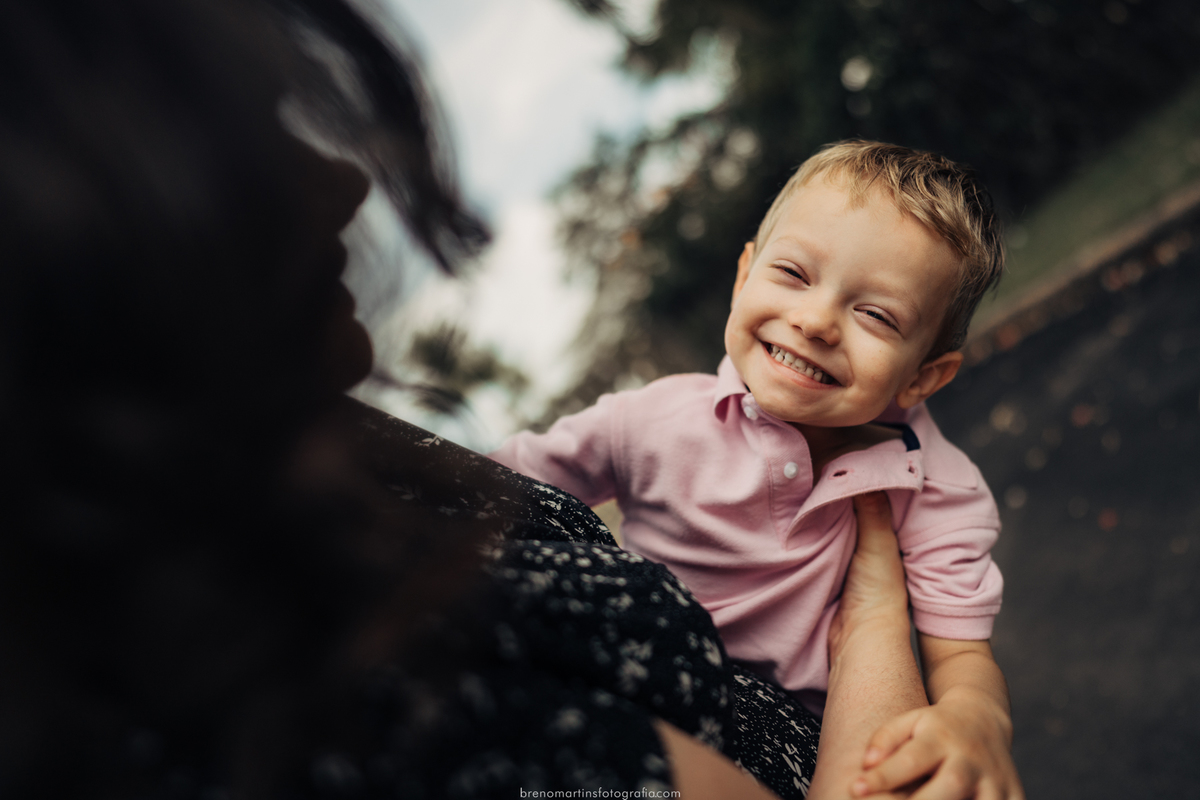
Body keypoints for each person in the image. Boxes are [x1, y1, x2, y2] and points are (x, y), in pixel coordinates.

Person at [1, 1, 941, 798]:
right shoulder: (373, 727)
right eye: (255, 148)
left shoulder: (322, 470)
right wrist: (871, 591)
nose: (342, 181)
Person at [491, 141, 1025, 798]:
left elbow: (963, 656)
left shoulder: (938, 486)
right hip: (647, 723)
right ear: (744, 277)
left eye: (877, 315)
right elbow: (496, 487)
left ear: (924, 376)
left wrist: (977, 719)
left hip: (822, 748)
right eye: (794, 275)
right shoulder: (651, 422)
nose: (816, 321)